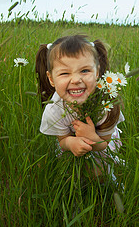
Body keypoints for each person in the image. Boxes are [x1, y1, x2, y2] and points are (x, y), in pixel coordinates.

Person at [36, 34, 125, 169]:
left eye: (84, 70)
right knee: (70, 169)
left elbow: (104, 143)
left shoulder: (106, 106)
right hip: (72, 143)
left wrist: (93, 139)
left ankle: (111, 179)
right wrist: (70, 143)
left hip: (102, 142)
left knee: (98, 172)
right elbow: (63, 141)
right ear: (51, 79)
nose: (76, 80)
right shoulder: (54, 109)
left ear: (97, 72)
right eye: (65, 73)